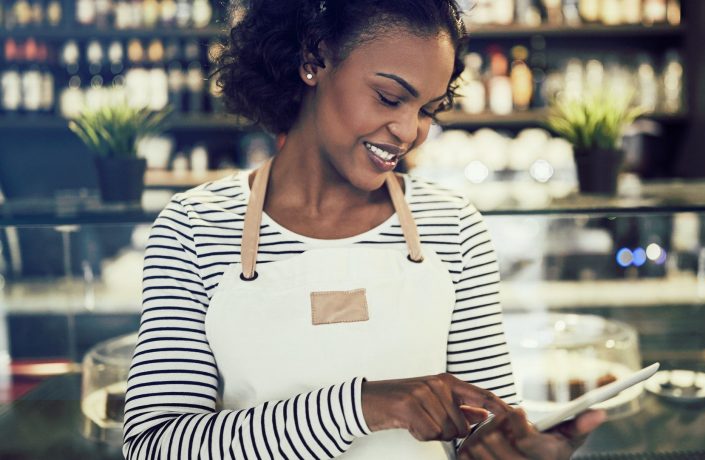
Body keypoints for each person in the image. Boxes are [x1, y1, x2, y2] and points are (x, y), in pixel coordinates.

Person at [122, 1, 604, 458]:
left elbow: (483, 428)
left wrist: (513, 450)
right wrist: (359, 407)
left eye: (428, 109)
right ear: (315, 58)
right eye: (390, 97)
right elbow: (154, 444)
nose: (409, 130)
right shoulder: (195, 228)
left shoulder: (453, 226)